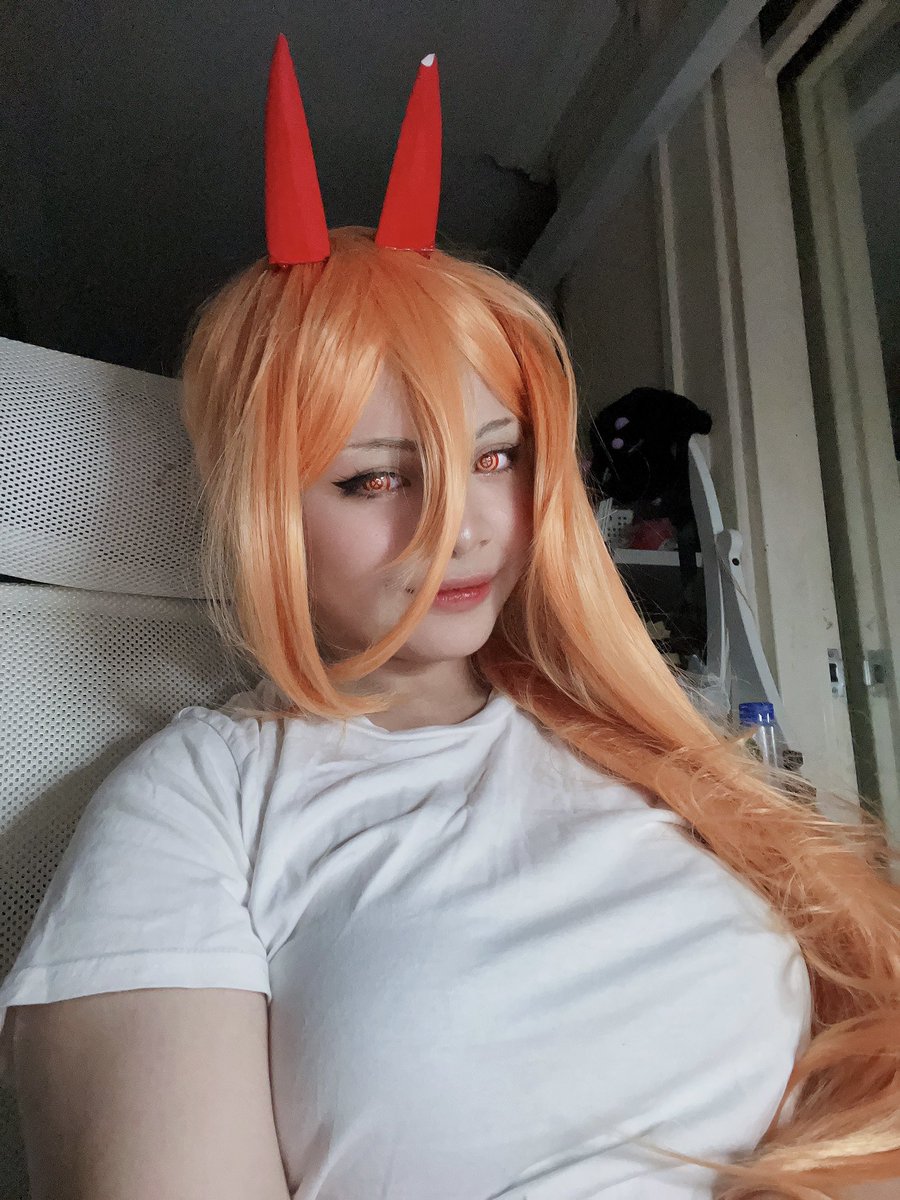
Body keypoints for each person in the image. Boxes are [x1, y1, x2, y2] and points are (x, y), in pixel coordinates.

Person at [1, 34, 899, 1200]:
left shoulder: (640, 739)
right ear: (261, 513)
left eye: (496, 456)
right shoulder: (200, 803)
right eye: (376, 477)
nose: (461, 528)